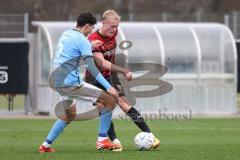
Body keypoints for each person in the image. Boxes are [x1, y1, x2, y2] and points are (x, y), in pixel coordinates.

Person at [38, 12, 122, 153]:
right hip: (71, 84)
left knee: (69, 115)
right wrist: (109, 87)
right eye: (91, 28)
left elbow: (73, 48)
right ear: (88, 26)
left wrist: (89, 43)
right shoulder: (83, 41)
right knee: (110, 100)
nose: (91, 32)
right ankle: (102, 140)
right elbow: (92, 68)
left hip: (57, 81)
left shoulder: (67, 34)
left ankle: (45, 145)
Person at [86, 10, 160, 151]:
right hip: (95, 78)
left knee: (124, 104)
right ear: (103, 23)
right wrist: (124, 71)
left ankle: (150, 135)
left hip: (110, 76)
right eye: (112, 26)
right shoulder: (93, 39)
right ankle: (114, 141)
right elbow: (102, 63)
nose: (114, 29)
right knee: (104, 107)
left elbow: (108, 64)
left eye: (117, 26)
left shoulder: (114, 33)